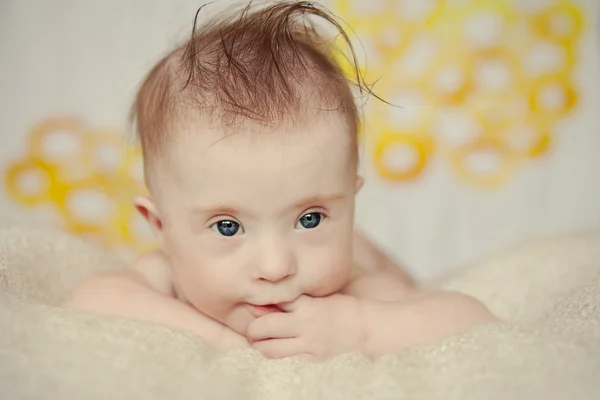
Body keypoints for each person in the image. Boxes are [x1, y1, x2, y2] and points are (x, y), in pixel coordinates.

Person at [63, 1, 497, 360]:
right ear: (161, 227)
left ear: (350, 203)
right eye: (227, 226)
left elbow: (471, 320)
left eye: (311, 219)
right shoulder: (170, 276)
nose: (275, 266)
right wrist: (219, 342)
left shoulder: (353, 288)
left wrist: (363, 329)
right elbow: (90, 302)